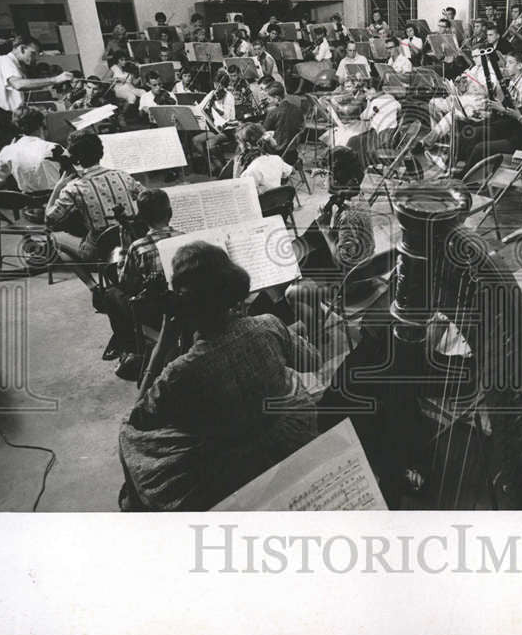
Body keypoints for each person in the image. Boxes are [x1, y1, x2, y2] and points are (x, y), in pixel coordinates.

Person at [118, 241, 320, 511]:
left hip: (230, 467)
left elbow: (139, 417)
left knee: (126, 433)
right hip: (288, 436)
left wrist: (164, 342)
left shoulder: (182, 370)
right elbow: (313, 361)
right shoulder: (269, 325)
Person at [286, 146, 375, 354]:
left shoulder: (349, 214)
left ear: (340, 179)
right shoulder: (355, 197)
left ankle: (315, 335)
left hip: (352, 284)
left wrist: (326, 231)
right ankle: (316, 319)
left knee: (292, 292)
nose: (323, 179)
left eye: (328, 174)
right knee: (302, 264)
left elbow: (344, 261)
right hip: (365, 269)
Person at [99, 189, 183, 379]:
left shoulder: (138, 247)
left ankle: (130, 347)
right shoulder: (187, 237)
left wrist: (125, 249)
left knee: (111, 294)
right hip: (186, 303)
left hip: (157, 313)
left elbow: (125, 282)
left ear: (142, 218)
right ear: (170, 213)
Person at [45, 131, 143, 264]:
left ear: (75, 157)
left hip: (100, 251)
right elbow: (149, 199)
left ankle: (91, 282)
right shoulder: (123, 175)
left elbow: (50, 220)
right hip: (132, 241)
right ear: (100, 152)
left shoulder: (73, 187)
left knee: (55, 236)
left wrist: (58, 186)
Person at [0, 35, 73, 161]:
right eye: (33, 53)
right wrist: (56, 79)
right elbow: (18, 84)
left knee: (20, 159)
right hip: (1, 119)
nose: (35, 58)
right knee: (14, 161)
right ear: (22, 48)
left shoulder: (9, 64)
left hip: (5, 116)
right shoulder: (4, 61)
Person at [460, 56, 522, 172]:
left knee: (479, 148)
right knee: (477, 136)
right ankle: (467, 171)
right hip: (516, 133)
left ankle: (463, 178)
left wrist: (518, 116)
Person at [0, 106, 61, 194]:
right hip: (56, 199)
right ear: (43, 123)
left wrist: (10, 151)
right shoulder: (54, 147)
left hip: (28, 201)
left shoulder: (8, 151)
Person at [193, 70, 238, 169]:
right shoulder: (212, 93)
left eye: (220, 85)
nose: (217, 87)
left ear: (224, 85)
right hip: (215, 128)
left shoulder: (229, 96)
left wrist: (214, 107)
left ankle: (223, 166)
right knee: (196, 140)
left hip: (228, 129)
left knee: (210, 144)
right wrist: (197, 108)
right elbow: (200, 106)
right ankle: (211, 165)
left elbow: (226, 116)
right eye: (215, 83)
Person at [232, 123, 293, 192]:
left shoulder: (250, 171)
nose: (239, 146)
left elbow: (238, 191)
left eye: (239, 143)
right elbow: (288, 172)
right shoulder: (276, 158)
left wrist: (235, 174)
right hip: (277, 200)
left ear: (248, 145)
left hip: (260, 202)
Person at [261, 81, 304, 163]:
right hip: (291, 148)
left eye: (269, 99)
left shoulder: (273, 112)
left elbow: (263, 130)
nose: (268, 101)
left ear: (277, 98)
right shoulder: (297, 109)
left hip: (279, 150)